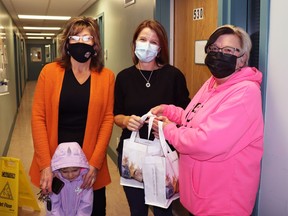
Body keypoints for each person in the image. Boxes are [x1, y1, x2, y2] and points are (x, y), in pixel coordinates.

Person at [150, 24, 264, 216]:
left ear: (242, 59)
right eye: (214, 49)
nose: (219, 54)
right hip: (202, 194)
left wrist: (168, 130)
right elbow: (192, 118)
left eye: (228, 50)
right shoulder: (212, 83)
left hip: (223, 200)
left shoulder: (245, 92)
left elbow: (206, 141)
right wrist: (169, 111)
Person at [29, 16, 115, 216]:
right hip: (56, 165)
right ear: (67, 43)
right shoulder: (49, 72)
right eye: (75, 37)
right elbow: (38, 118)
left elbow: (107, 120)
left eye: (87, 37)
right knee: (58, 210)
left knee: (93, 211)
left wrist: (95, 164)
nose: (80, 42)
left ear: (96, 44)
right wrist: (45, 166)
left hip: (89, 167)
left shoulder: (107, 77)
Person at [114, 19, 190, 216]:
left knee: (162, 210)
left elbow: (186, 116)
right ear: (134, 43)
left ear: (160, 48)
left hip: (162, 154)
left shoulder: (173, 76)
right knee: (137, 210)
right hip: (132, 154)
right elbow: (116, 113)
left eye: (154, 42)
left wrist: (169, 123)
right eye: (143, 39)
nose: (147, 45)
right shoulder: (123, 77)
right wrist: (125, 120)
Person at [47, 142, 93, 215]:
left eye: (75, 170)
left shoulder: (84, 182)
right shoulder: (56, 182)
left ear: (81, 167)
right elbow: (53, 205)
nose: (70, 175)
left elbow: (86, 205)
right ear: (58, 169)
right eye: (65, 171)